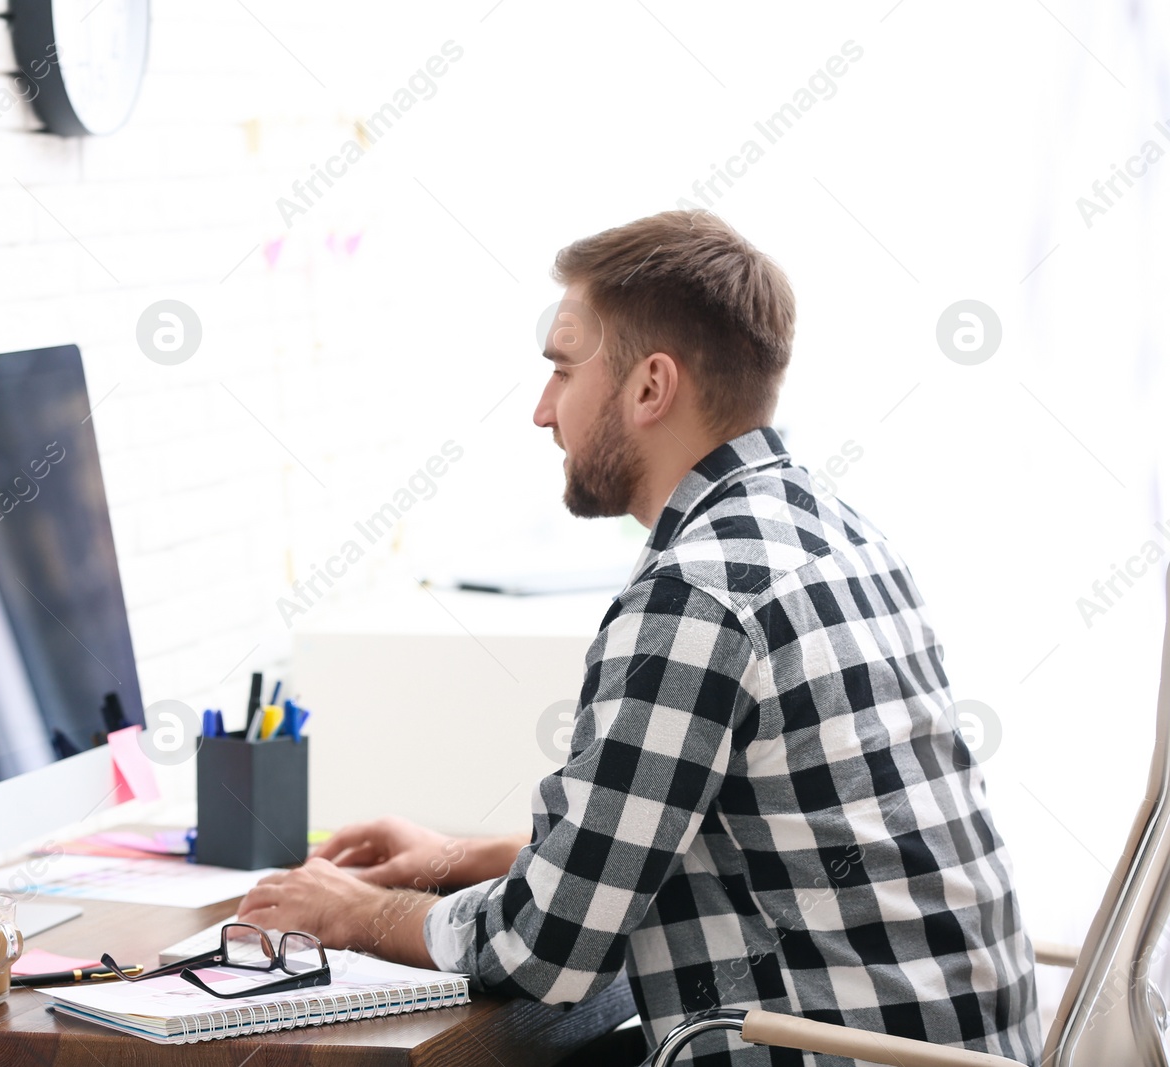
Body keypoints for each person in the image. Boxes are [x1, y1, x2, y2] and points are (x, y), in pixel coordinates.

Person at [237, 210, 1040, 1064]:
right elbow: (716, 841)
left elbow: (548, 947)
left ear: (651, 387)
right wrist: (456, 855)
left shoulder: (698, 595)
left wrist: (359, 913)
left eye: (561, 370)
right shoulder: (833, 533)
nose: (543, 411)